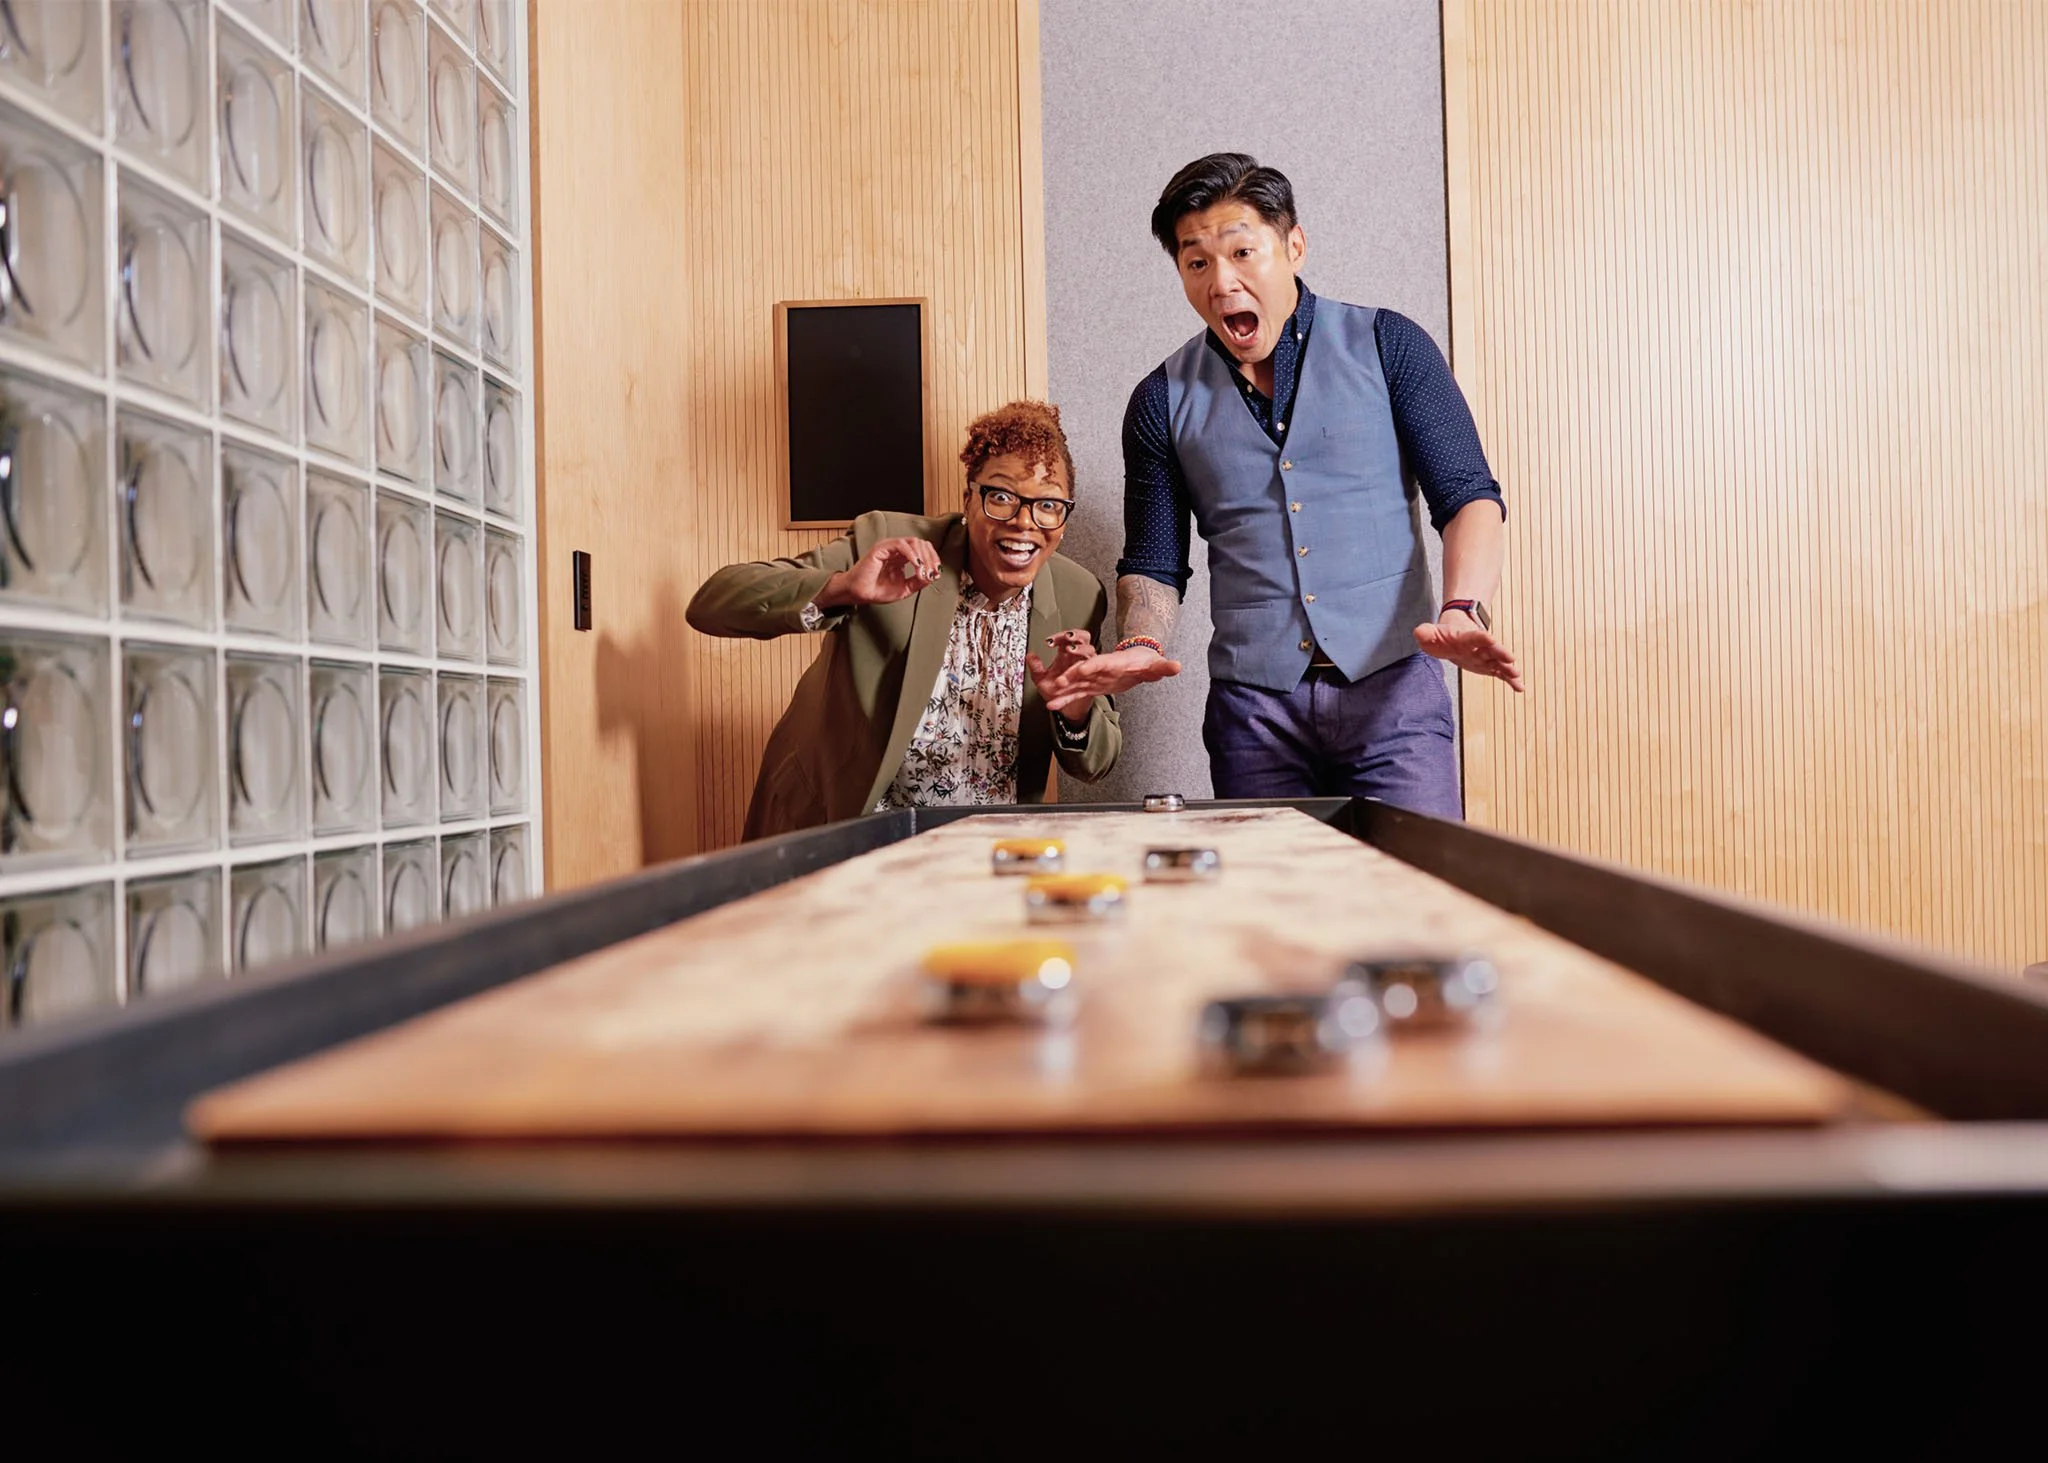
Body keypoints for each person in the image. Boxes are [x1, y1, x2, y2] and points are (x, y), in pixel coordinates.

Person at [1032, 152, 1522, 819]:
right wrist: (1142, 643)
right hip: (1254, 714)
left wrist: (1464, 606)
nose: (1222, 280)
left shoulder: (1390, 345)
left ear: (1293, 245)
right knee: (1270, 910)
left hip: (1394, 696)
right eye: (1197, 261)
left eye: (1242, 251)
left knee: (1417, 899)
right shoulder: (1159, 400)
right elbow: (1152, 562)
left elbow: (1467, 496)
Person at [687, 400, 1126, 839]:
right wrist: (842, 587)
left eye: (1048, 504)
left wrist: (1075, 710)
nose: (1024, 522)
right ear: (968, 499)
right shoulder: (887, 544)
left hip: (980, 854)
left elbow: (1097, 763)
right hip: (845, 836)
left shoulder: (1078, 594)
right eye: (1002, 497)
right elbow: (712, 604)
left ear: (1064, 516)